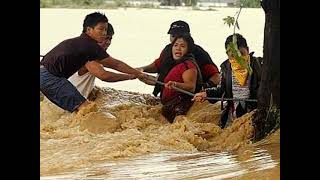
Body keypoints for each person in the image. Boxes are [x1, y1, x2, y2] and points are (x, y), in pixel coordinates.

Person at [40, 12, 147, 113]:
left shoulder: (80, 42)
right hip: (49, 77)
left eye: (105, 30)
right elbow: (113, 66)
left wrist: (135, 72)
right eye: (101, 29)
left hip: (46, 74)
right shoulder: (89, 46)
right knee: (87, 110)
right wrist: (135, 74)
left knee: (85, 109)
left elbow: (110, 64)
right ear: (89, 29)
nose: (104, 34)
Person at [192, 33, 263, 128]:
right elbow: (221, 90)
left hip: (254, 114)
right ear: (227, 55)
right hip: (233, 116)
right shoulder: (225, 68)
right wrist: (206, 94)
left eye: (241, 54)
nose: (238, 59)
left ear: (248, 50)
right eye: (233, 56)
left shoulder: (260, 65)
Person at [138, 20, 220, 94]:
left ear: (189, 37)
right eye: (173, 36)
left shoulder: (199, 53)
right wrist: (141, 70)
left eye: (179, 36)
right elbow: (157, 65)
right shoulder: (168, 49)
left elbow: (216, 76)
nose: (176, 40)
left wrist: (204, 88)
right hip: (170, 94)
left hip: (192, 96)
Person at [142, 34, 201, 123]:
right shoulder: (176, 64)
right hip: (171, 106)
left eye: (182, 46)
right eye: (175, 45)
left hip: (181, 105)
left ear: (188, 49)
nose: (178, 48)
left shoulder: (188, 65)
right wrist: (139, 74)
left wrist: (175, 84)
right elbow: (158, 82)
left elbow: (191, 87)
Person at [68, 22, 116, 100]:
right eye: (105, 38)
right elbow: (104, 76)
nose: (108, 42)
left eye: (110, 39)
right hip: (67, 105)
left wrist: (138, 72)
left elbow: (118, 67)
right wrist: (133, 75)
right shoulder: (87, 55)